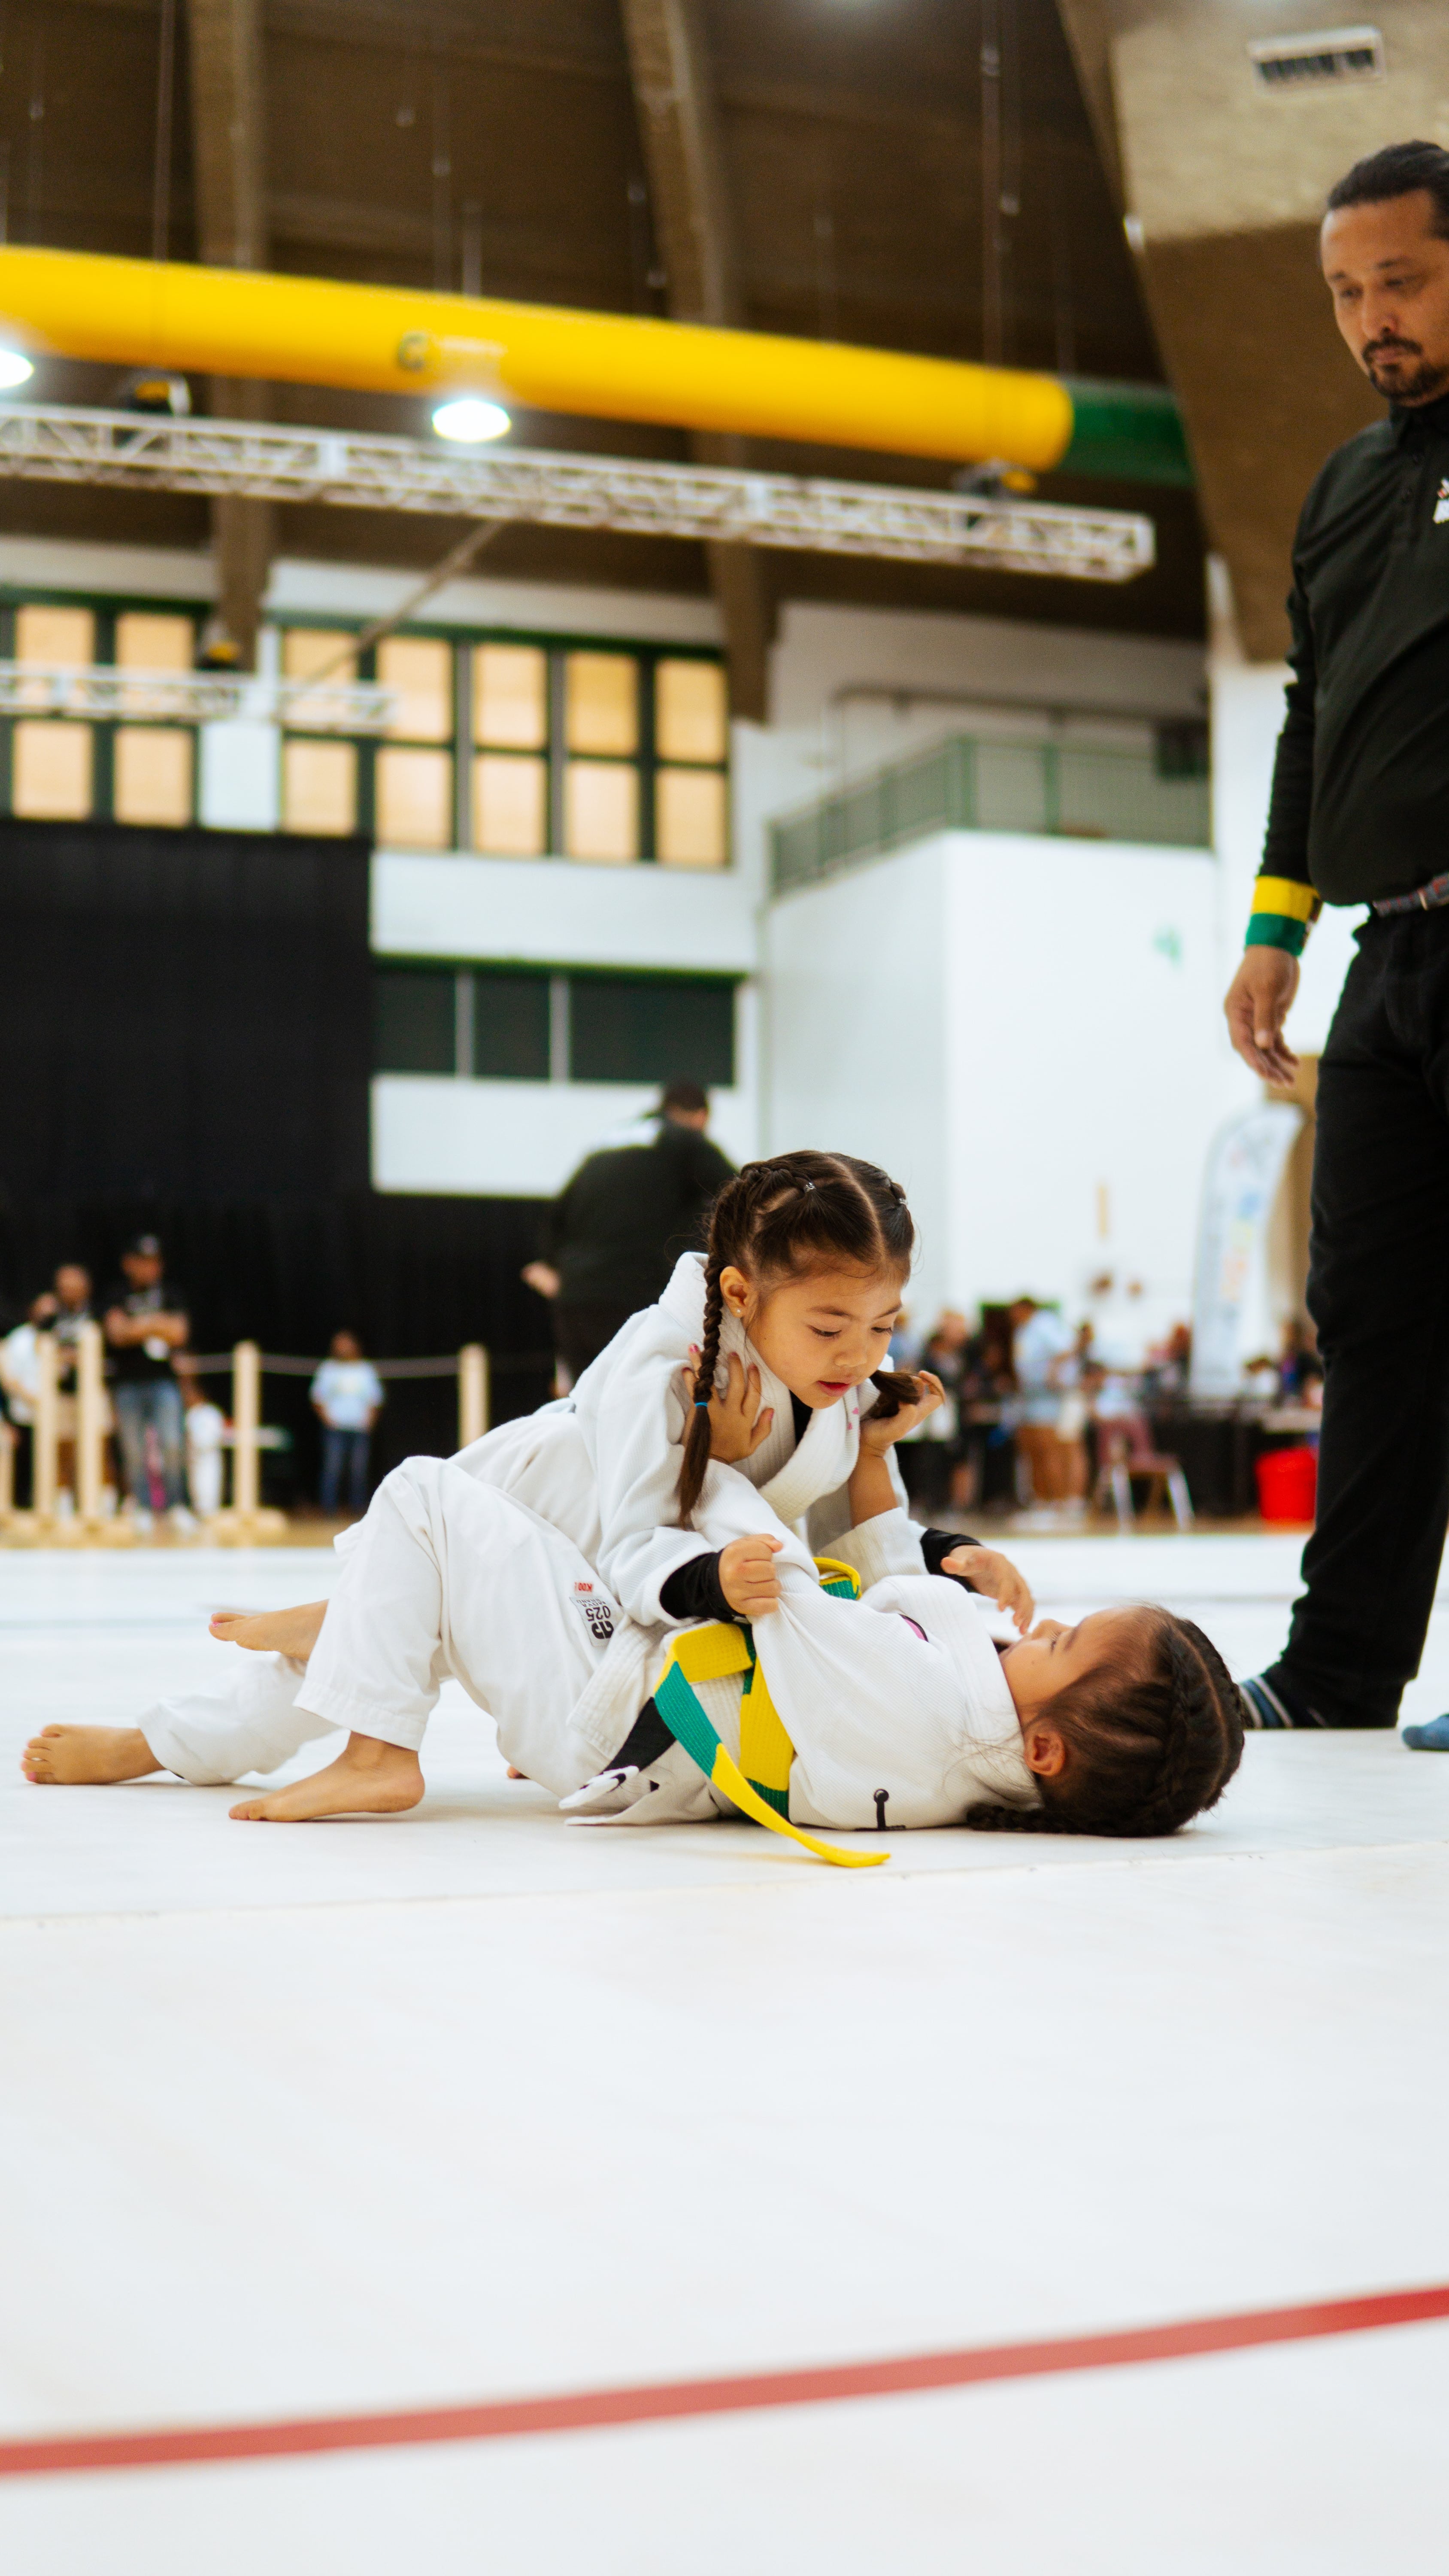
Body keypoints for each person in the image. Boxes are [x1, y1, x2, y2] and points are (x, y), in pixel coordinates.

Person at [22, 1151, 1038, 1821]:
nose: (860, 1355)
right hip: (542, 1502)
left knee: (365, 1635)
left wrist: (948, 1558)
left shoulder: (845, 1390)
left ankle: (287, 1655)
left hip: (601, 1582)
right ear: (739, 1293)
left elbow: (842, 1556)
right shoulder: (665, 1366)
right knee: (363, 1641)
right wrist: (716, 1477)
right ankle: (165, 1742)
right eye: (830, 1328)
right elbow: (646, 1542)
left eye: (885, 1326)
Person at [21, 1418, 1244, 1847]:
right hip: (642, 1691)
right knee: (516, 1490)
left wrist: (700, 1446)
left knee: (422, 1496)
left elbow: (793, 1591)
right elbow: (881, 1569)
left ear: (1048, 1751)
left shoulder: (935, 1715)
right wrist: (878, 1469)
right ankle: (193, 1726)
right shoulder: (964, 1714)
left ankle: (376, 1735)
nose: (1050, 1622)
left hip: (609, 1709)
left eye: (1070, 1641)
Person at [1220, 141, 1449, 1740]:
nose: (1368, 315)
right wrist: (1270, 922)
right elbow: (1311, 716)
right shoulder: (1340, 484)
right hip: (1383, 961)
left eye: (1400, 279)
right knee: (1365, 1313)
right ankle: (1340, 1664)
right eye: (1343, 291)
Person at [523, 1078, 736, 1382]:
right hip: (633, 1297)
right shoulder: (684, 1140)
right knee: (642, 1407)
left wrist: (554, 1271)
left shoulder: (606, 1143)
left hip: (575, 1300)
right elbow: (741, 1192)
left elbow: (556, 1216)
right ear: (701, 1116)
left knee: (586, 1409)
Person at [103, 1236, 191, 1528]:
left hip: (164, 1381)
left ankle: (177, 1504)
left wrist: (137, 1327)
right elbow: (116, 1332)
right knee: (132, 1448)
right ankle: (141, 1505)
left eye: (154, 1263)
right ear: (129, 1264)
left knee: (172, 1443)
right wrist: (156, 1325)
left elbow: (179, 1333)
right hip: (127, 1382)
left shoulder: (170, 1294)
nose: (149, 1269)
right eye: (142, 1262)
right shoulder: (117, 1294)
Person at [1010, 1297, 1085, 1511]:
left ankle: (1059, 1500)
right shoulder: (1024, 1330)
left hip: (1050, 1400)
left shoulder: (1045, 1324)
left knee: (1051, 1450)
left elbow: (1069, 1348)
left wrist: (1054, 1370)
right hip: (1031, 1398)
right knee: (1034, 1451)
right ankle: (1042, 1499)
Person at [310, 1331, 383, 1518]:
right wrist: (327, 1420)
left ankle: (358, 1509)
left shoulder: (365, 1369)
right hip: (335, 1428)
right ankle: (329, 1509)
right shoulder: (328, 1369)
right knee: (332, 1469)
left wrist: (370, 1422)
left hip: (359, 1428)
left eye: (346, 1344)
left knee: (358, 1470)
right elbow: (318, 1398)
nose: (343, 1349)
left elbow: (375, 1399)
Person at [183, 1379, 228, 1519]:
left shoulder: (211, 1412)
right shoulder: (189, 1414)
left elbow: (216, 1435)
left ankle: (210, 1515)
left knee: (209, 1486)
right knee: (195, 1489)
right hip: (193, 1458)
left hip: (209, 1456)